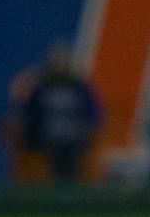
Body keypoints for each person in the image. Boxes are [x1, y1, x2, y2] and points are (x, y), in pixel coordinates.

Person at [12, 42, 103, 183]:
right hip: (46, 136)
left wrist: (87, 129)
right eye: (57, 62)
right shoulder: (42, 88)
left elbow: (93, 113)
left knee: (72, 154)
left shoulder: (79, 88)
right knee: (51, 154)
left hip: (74, 137)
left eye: (63, 62)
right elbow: (30, 115)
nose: (60, 66)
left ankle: (69, 185)